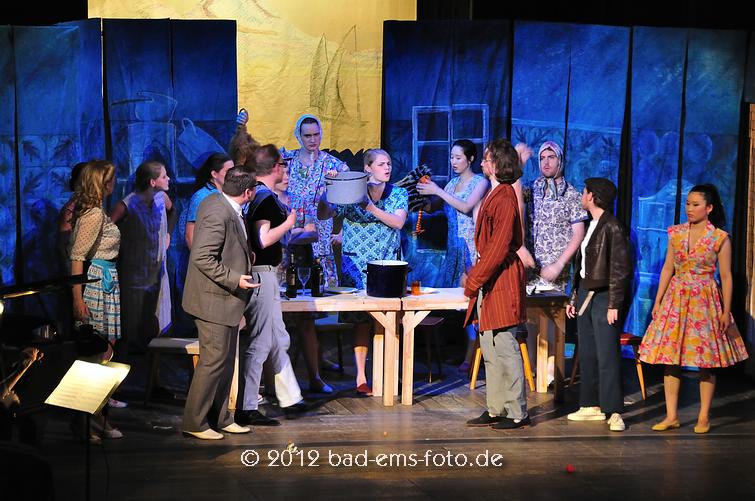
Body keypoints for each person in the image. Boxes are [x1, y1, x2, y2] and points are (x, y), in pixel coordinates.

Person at [639, 184, 748, 433]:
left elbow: (726, 277)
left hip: (704, 301)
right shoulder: (676, 233)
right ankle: (671, 416)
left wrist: (725, 311)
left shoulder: (719, 237)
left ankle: (703, 417)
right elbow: (668, 268)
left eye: (695, 204)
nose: (689, 208)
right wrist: (658, 300)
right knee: (670, 358)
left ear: (709, 208)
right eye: (688, 203)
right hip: (676, 298)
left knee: (705, 361)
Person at [318, 149, 408, 395]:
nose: (387, 168)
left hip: (387, 265)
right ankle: (361, 377)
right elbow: (324, 214)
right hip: (357, 267)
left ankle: (389, 373)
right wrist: (330, 189)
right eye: (381, 164)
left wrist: (369, 207)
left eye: (389, 163)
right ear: (367, 168)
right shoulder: (350, 193)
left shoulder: (398, 193)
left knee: (390, 320)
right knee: (360, 323)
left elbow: (398, 222)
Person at [181, 167, 258, 440]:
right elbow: (202, 257)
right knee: (213, 362)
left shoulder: (220, 202)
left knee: (225, 363)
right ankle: (195, 422)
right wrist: (235, 279)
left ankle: (220, 417)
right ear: (248, 192)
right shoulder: (218, 211)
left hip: (226, 301)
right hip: (212, 300)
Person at [237, 145, 306, 427]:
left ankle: (291, 397)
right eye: (283, 165)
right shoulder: (264, 197)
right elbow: (263, 239)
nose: (285, 170)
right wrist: (289, 223)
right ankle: (247, 406)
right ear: (275, 167)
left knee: (278, 338)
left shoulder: (259, 195)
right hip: (262, 274)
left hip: (266, 273)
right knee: (262, 341)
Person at [463, 138, 529, 430]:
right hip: (490, 278)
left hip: (501, 278)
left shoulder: (504, 197)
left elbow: (499, 247)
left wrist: (475, 279)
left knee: (504, 345)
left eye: (487, 159)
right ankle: (496, 407)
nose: (482, 163)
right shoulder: (495, 193)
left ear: (498, 165)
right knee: (489, 347)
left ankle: (516, 411)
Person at [416, 140, 489, 372]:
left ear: (471, 159)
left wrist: (438, 190)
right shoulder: (451, 184)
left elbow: (466, 206)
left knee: (472, 302)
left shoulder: (480, 182)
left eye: (458, 157)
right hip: (454, 249)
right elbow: (432, 207)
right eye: (451, 157)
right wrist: (422, 192)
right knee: (460, 305)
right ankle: (466, 353)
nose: (453, 162)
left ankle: (471, 357)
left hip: (472, 249)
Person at [565, 177, 631, 432]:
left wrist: (614, 304)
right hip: (586, 293)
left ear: (592, 196)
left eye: (584, 192)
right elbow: (582, 267)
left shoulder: (612, 227)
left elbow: (620, 269)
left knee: (607, 354)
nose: (582, 196)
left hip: (604, 296)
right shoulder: (590, 225)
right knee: (588, 352)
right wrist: (574, 297)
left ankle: (614, 411)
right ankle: (590, 404)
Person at [521, 141, 587, 385]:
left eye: (551, 157)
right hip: (532, 267)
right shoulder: (532, 189)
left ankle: (550, 373)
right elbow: (513, 197)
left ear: (560, 160)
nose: (546, 162)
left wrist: (559, 264)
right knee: (530, 320)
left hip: (555, 268)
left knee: (551, 321)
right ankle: (532, 370)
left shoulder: (572, 194)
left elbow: (578, 234)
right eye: (542, 158)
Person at [68, 160, 124, 438]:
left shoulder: (97, 211)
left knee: (104, 353)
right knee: (94, 354)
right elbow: (77, 257)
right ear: (102, 184)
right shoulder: (92, 215)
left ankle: (96, 416)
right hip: (96, 284)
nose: (113, 184)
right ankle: (86, 420)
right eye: (110, 180)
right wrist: (77, 299)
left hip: (107, 281)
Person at [111, 161, 174, 354]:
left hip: (156, 268)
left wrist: (168, 233)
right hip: (135, 272)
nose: (168, 179)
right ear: (152, 182)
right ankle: (133, 357)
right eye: (163, 176)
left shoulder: (162, 198)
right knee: (134, 319)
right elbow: (108, 227)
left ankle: (154, 355)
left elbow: (172, 210)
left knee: (154, 315)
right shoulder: (128, 203)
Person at [287, 114, 349, 288]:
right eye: (307, 135)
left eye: (316, 134)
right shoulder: (287, 161)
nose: (313, 140)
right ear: (299, 136)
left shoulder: (334, 165)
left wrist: (336, 182)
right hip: (292, 236)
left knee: (321, 288)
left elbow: (349, 200)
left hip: (320, 238)